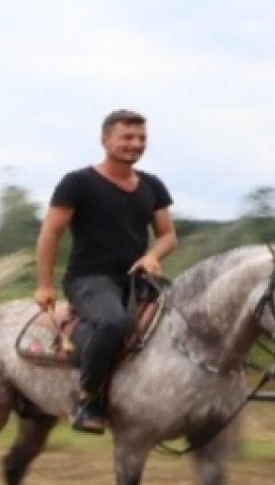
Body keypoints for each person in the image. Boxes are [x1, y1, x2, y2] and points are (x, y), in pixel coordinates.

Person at [34, 109, 178, 434]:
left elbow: (168, 235)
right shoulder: (78, 183)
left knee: (190, 315)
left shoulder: (152, 185)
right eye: (127, 137)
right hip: (89, 279)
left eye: (141, 138)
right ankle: (87, 400)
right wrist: (44, 285)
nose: (135, 144)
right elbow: (50, 233)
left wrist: (152, 255)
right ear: (105, 140)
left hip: (137, 279)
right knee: (113, 322)